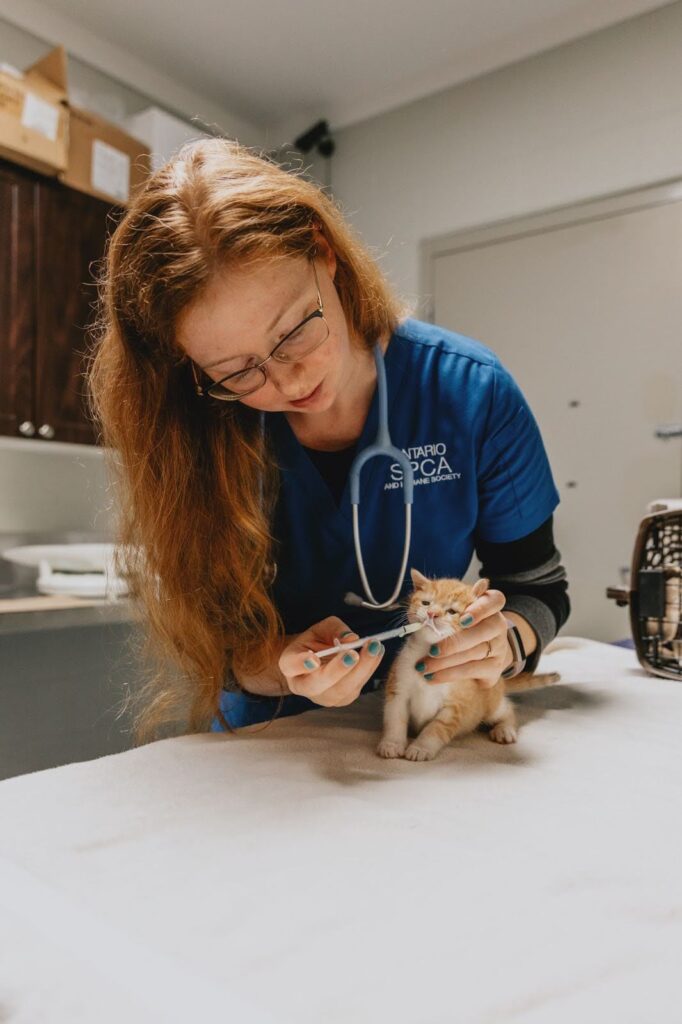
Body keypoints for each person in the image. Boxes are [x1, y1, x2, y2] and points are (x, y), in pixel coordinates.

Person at [88, 138, 569, 741]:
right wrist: (282, 668)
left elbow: (538, 588)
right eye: (238, 372)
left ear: (325, 250)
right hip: (272, 745)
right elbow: (220, 645)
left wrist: (505, 642)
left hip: (430, 715)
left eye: (294, 331)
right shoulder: (202, 428)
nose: (288, 381)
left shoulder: (470, 391)